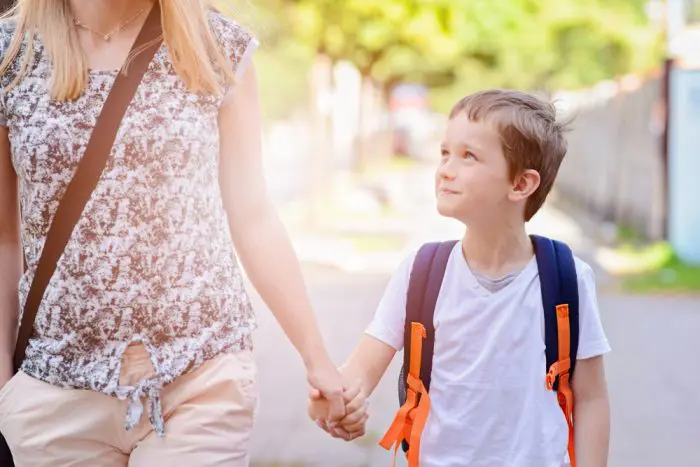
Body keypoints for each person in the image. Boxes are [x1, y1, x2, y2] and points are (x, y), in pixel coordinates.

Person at [0, 0, 346, 465]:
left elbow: (253, 213)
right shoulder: (11, 53)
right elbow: (4, 238)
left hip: (198, 377)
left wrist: (316, 356)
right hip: (55, 392)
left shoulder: (213, 45)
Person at [309, 89, 611, 466]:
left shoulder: (567, 278)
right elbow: (356, 376)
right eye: (445, 152)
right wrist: (337, 402)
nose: (445, 169)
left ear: (521, 184)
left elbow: (591, 398)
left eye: (468, 156)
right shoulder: (421, 273)